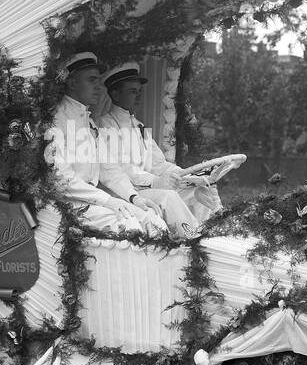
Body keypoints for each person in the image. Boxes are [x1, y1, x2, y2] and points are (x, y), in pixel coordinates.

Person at [45, 52, 167, 237]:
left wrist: (134, 198)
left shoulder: (89, 123)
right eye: (92, 80)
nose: (98, 87)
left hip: (92, 201)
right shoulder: (55, 120)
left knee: (155, 222)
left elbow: (109, 169)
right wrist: (109, 201)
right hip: (68, 203)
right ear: (71, 83)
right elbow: (62, 179)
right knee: (131, 228)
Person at [97, 61, 223, 231]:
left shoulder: (139, 127)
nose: (139, 97)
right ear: (115, 94)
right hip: (123, 193)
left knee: (197, 191)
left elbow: (159, 164)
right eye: (133, 92)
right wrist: (156, 181)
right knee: (168, 197)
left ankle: (213, 231)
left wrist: (188, 175)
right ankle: (193, 240)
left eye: (139, 92)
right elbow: (121, 169)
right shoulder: (104, 125)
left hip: (145, 189)